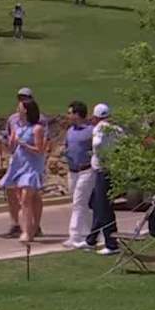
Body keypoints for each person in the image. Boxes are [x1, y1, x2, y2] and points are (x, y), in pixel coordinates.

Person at [0, 97, 47, 243]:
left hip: (32, 166)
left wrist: (24, 144)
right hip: (19, 165)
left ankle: (27, 231)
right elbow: (12, 148)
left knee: (26, 197)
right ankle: (31, 226)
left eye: (19, 107)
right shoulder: (17, 127)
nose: (17, 110)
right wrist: (10, 142)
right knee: (29, 197)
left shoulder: (37, 128)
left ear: (26, 110)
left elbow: (39, 150)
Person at [1, 88, 36, 238]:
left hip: (31, 161)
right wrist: (8, 142)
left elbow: (42, 143)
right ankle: (17, 223)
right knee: (13, 192)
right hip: (16, 158)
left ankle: (33, 225)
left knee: (29, 196)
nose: (22, 100)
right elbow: (10, 139)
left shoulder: (39, 120)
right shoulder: (12, 120)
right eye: (20, 98)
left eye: (25, 98)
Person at [62, 101, 96, 249]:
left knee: (78, 203)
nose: (68, 116)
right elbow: (67, 146)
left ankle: (74, 236)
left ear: (77, 114)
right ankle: (93, 232)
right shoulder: (70, 131)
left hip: (86, 171)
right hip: (72, 171)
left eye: (70, 113)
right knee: (83, 204)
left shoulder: (91, 131)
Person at [89, 103, 122, 255]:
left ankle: (111, 243)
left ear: (95, 117)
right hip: (113, 170)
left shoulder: (99, 128)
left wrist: (100, 154)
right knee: (96, 203)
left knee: (103, 207)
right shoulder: (117, 129)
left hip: (103, 171)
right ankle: (92, 239)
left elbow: (98, 143)